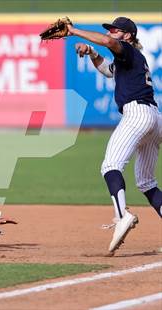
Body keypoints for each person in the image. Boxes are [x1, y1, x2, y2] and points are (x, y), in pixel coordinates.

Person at [67, 17, 161, 253]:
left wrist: (74, 31)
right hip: (154, 118)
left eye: (116, 30)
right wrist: (90, 52)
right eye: (110, 29)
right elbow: (109, 71)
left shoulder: (127, 49)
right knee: (147, 182)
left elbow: (109, 42)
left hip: (138, 113)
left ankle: (122, 216)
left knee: (110, 165)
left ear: (128, 35)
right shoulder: (129, 59)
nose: (111, 33)